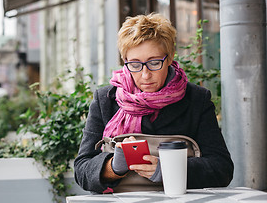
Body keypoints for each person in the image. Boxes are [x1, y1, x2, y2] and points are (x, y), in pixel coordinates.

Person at [74, 13, 234, 194]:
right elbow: (81, 169)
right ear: (124, 61)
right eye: (135, 64)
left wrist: (168, 170)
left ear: (170, 58)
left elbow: (222, 169)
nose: (145, 75)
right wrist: (113, 167)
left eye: (154, 63)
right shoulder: (105, 100)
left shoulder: (196, 99)